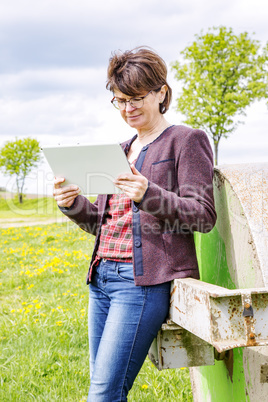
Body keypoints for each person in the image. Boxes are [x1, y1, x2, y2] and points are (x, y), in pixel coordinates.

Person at [53, 47, 217, 401]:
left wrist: (148, 194)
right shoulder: (118, 149)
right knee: (108, 390)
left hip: (140, 285)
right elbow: (102, 223)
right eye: (121, 100)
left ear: (161, 92)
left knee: (103, 393)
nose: (128, 108)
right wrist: (73, 204)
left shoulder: (186, 141)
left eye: (137, 98)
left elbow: (203, 215)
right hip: (100, 279)